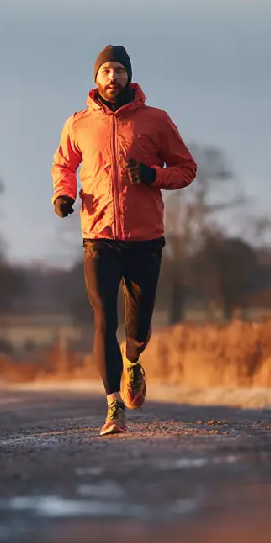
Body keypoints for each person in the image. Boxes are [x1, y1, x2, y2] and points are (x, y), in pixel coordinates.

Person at [50, 44, 198, 436]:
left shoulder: (155, 121)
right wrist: (62, 194)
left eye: (118, 70)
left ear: (129, 76)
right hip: (98, 236)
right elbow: (64, 163)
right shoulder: (78, 123)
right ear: (95, 78)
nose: (112, 77)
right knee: (104, 318)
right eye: (105, 71)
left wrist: (152, 175)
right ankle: (113, 406)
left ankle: (133, 360)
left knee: (137, 328)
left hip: (145, 238)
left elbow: (186, 169)